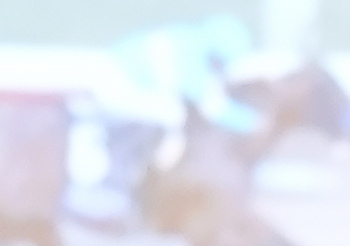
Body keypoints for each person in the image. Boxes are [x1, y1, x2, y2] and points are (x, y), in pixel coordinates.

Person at [71, 14, 265, 220]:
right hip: (116, 85)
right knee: (170, 114)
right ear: (216, 51)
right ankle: (132, 181)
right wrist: (254, 123)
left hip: (117, 76)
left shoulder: (188, 37)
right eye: (221, 61)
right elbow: (213, 108)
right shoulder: (191, 56)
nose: (221, 67)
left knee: (169, 112)